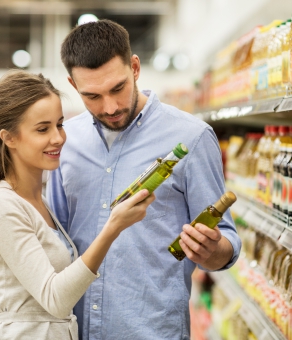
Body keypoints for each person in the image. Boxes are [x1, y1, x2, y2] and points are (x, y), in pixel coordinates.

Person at [46, 19, 242, 340]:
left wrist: (213, 249)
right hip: (74, 329)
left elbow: (226, 243)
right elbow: (54, 238)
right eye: (92, 96)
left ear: (134, 67)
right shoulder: (66, 141)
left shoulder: (191, 138)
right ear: (72, 84)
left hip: (151, 330)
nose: (109, 107)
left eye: (117, 88)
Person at [0, 70, 154, 340]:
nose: (58, 138)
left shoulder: (36, 200)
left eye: (60, 124)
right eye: (43, 129)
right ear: (9, 138)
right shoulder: (2, 206)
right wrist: (113, 227)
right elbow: (55, 298)